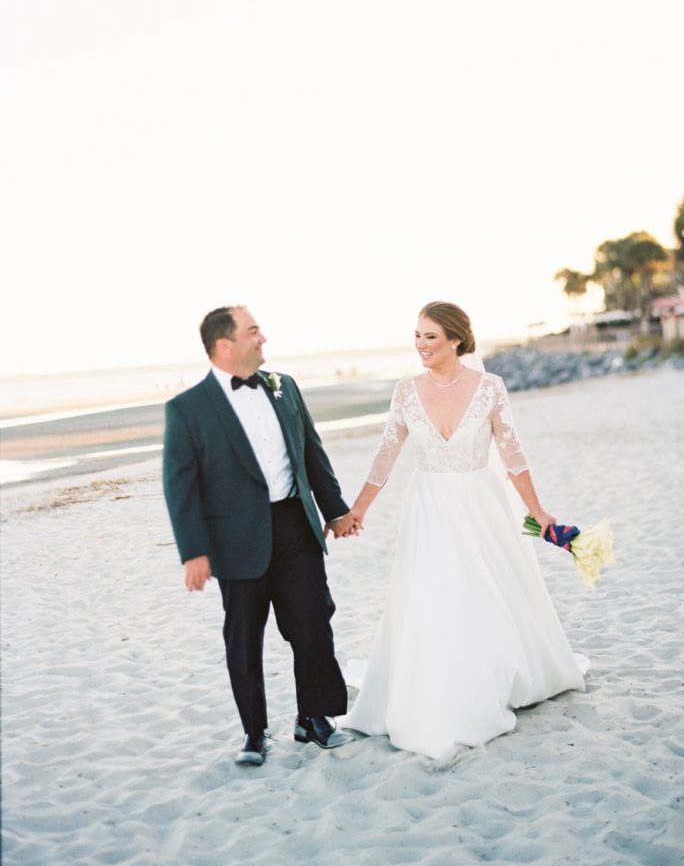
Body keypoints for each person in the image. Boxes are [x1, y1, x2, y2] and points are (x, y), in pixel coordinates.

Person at [341, 301, 588, 759]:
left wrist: (538, 510)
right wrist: (358, 510)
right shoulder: (405, 392)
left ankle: (490, 675)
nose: (421, 346)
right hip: (429, 506)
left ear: (456, 339)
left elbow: (513, 456)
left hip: (481, 503)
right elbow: (386, 456)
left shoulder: (490, 388)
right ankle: (438, 682)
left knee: (485, 591)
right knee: (434, 594)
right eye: (416, 336)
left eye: (430, 337)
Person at [163, 305, 359, 765]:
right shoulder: (188, 409)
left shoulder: (284, 386)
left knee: (313, 623)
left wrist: (336, 511)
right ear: (225, 345)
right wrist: (193, 552)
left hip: (295, 524)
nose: (263, 339)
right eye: (253, 332)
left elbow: (312, 451)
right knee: (244, 639)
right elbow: (181, 486)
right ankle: (254, 732)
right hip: (235, 541)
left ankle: (313, 718)